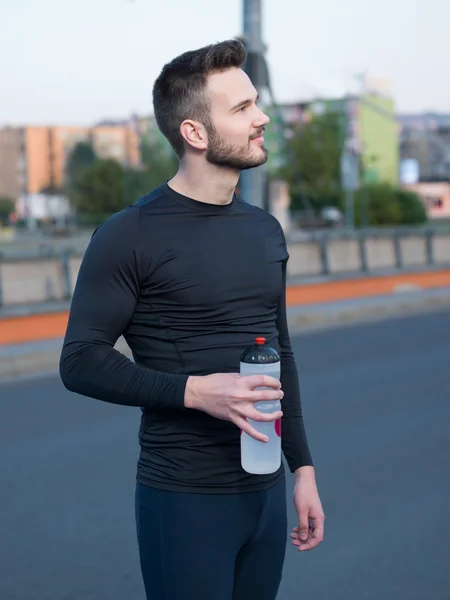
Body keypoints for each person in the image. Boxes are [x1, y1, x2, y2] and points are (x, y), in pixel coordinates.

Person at [59, 39, 324, 600]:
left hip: (266, 494)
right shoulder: (129, 234)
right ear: (195, 133)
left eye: (255, 102)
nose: (262, 117)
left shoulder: (264, 230)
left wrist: (302, 469)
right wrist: (196, 392)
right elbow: (80, 361)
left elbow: (282, 352)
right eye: (242, 108)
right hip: (184, 500)